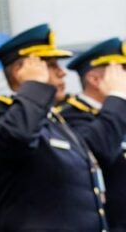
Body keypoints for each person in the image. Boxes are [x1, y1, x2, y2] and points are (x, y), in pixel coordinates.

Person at [0, 24, 126, 231]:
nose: (62, 73)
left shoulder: (56, 121)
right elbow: (18, 136)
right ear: (21, 72)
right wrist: (34, 85)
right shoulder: (1, 113)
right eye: (51, 66)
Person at [59, 38, 126, 232]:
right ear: (95, 80)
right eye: (122, 73)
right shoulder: (69, 118)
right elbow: (99, 150)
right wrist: (116, 97)